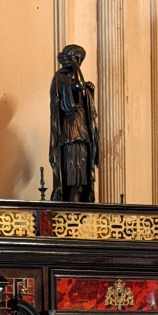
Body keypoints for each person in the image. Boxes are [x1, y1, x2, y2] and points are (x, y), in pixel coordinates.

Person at [49, 44, 99, 203]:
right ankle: (72, 210)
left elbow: (85, 98)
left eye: (80, 59)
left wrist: (90, 92)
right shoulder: (61, 77)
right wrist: (75, 67)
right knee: (73, 179)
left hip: (82, 133)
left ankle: (79, 209)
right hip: (71, 133)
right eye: (75, 58)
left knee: (82, 180)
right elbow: (77, 86)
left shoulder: (77, 79)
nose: (78, 61)